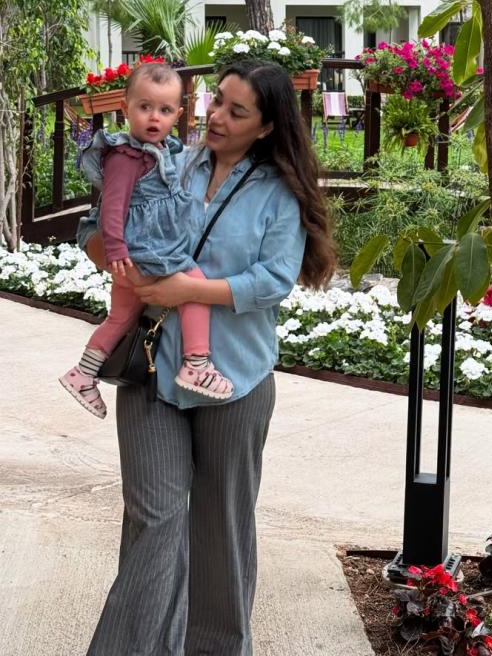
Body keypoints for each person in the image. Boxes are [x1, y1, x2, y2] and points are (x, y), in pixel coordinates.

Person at [78, 58, 336, 656]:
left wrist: (187, 290)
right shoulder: (166, 156)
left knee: (221, 531)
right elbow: (97, 227)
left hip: (236, 379)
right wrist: (114, 258)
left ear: (267, 126)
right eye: (216, 100)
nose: (215, 116)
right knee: (155, 521)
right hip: (151, 367)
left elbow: (272, 280)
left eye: (235, 110)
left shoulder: (277, 193)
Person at [60, 61, 233, 419]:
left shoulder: (166, 151)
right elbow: (112, 206)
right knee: (194, 287)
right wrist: (115, 249)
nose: (154, 117)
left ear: (179, 114)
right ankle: (197, 363)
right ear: (125, 108)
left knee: (121, 316)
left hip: (134, 256)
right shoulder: (126, 156)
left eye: (165, 110)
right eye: (145, 107)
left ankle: (84, 372)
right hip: (146, 251)